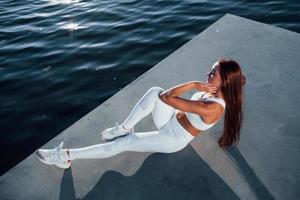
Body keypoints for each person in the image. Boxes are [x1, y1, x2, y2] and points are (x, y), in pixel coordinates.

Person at [36, 58, 246, 169]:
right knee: (155, 90)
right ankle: (124, 128)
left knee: (123, 144)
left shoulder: (213, 107)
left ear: (225, 80)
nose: (207, 74)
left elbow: (168, 100)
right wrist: (197, 87)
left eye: (213, 73)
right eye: (210, 70)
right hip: (170, 120)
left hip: (172, 138)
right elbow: (164, 95)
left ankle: (64, 157)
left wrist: (192, 84)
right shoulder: (214, 91)